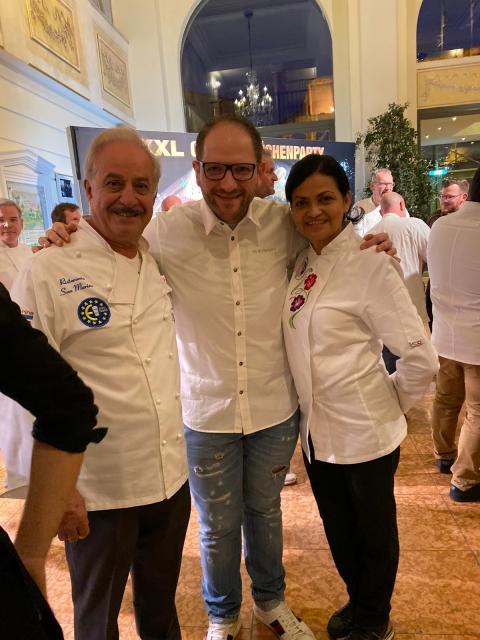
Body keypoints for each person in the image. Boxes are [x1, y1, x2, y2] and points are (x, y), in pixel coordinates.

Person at [44, 114, 394, 640]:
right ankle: (222, 614)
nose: (228, 183)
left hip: (273, 409)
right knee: (216, 526)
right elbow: (111, 237)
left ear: (259, 169)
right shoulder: (165, 231)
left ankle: (270, 601)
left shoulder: (284, 225)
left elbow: (331, 247)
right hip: (205, 413)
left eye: (240, 169)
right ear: (197, 170)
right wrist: (68, 235)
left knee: (266, 513)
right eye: (215, 169)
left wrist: (372, 242)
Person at [5, 127, 190, 640]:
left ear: (154, 194)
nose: (128, 198)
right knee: (97, 619)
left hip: (169, 480)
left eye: (141, 186)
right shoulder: (47, 269)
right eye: (114, 183)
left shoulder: (153, 261)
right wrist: (56, 492)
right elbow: (18, 396)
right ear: (88, 189)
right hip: (97, 491)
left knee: (161, 610)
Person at [283, 154, 438, 640]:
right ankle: (360, 600)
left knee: (373, 534)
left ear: (348, 200)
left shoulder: (370, 263)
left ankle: (375, 619)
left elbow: (421, 359)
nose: (314, 211)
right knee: (339, 530)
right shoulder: (302, 262)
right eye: (301, 202)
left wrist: (389, 401)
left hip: (366, 433)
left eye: (325, 198)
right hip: (317, 435)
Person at [0, 282, 104, 638]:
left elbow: (66, 405)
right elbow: (65, 405)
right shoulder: (43, 273)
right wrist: (31, 553)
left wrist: (31, 553)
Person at [427, 168, 480, 501]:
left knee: (446, 399)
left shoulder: (441, 227)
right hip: (476, 340)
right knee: (478, 411)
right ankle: (465, 481)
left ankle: (444, 456)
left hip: (444, 334)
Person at [370, 192, 430, 373]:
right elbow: (436, 257)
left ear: (381, 212)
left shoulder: (369, 234)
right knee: (421, 367)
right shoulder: (415, 225)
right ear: (402, 205)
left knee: (388, 367)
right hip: (413, 309)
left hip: (380, 314)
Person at [425, 179, 469, 331]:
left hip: (461, 286)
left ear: (463, 197)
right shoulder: (434, 217)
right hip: (435, 282)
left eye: (449, 197)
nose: (444, 200)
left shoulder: (469, 221)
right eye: (442, 196)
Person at [0, 198, 32, 290]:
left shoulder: (28, 251)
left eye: (13, 220)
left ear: (21, 223)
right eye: (1, 220)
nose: (7, 225)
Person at [352, 168, 394, 236]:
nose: (388, 188)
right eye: (383, 184)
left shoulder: (399, 208)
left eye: (390, 184)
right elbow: (353, 235)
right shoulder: (359, 207)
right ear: (372, 186)